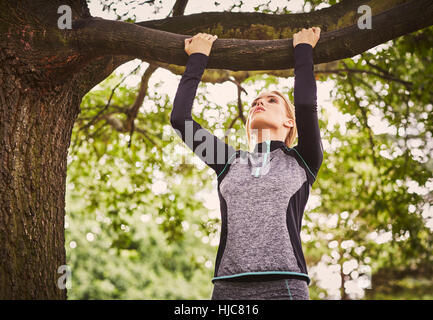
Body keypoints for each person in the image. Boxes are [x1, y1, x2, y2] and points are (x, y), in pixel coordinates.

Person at [170, 28, 323, 300]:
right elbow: (180, 119)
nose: (258, 104)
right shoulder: (229, 162)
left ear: (290, 122)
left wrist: (303, 51)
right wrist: (198, 58)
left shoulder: (303, 160)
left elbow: (305, 104)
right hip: (228, 288)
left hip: (286, 284)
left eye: (271, 101)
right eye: (255, 102)